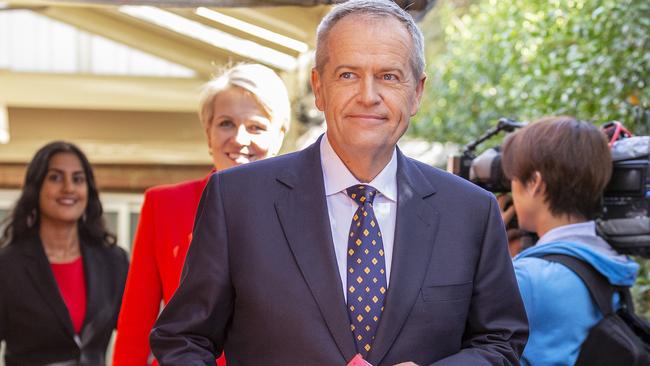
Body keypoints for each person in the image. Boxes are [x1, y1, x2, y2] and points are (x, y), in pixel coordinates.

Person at [150, 1, 528, 365]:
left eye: (389, 76)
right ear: (318, 87)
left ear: (417, 92)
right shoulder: (237, 200)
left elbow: (500, 340)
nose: (368, 96)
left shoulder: (470, 212)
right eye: (348, 75)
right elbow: (184, 338)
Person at [112, 63, 291, 366]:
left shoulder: (304, 208)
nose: (240, 138)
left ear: (279, 135)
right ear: (208, 133)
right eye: (225, 123)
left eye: (257, 126)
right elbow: (134, 328)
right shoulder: (164, 205)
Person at [501, 116, 639, 365]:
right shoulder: (608, 258)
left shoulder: (528, 278)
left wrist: (489, 242)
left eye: (514, 180)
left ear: (535, 183)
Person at [0, 141, 129, 366]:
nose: (69, 188)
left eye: (78, 179)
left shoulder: (114, 261)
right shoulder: (8, 265)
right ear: (36, 188)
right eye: (55, 177)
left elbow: (137, 335)